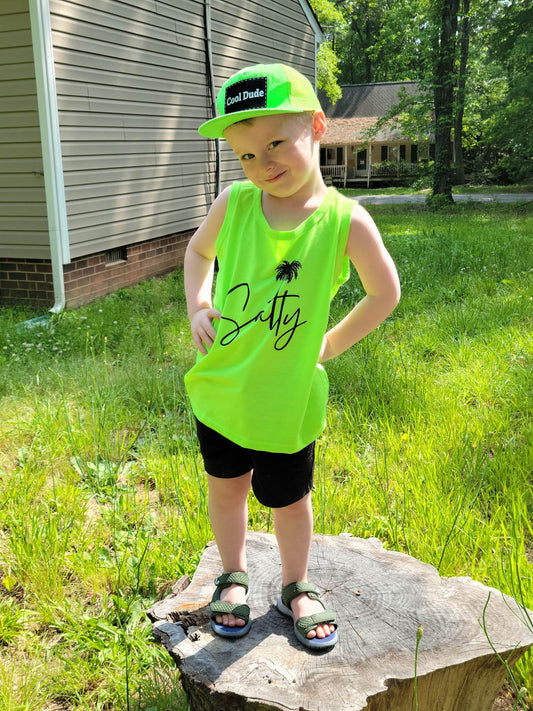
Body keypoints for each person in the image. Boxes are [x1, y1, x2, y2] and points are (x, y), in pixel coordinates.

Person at [184, 63, 400, 649]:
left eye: (276, 143)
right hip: (224, 387)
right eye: (247, 155)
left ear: (319, 127)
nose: (263, 164)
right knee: (226, 486)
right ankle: (232, 575)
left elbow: (386, 293)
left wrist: (330, 344)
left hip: (287, 397)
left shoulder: (343, 222)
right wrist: (199, 303)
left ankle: (296, 584)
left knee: (289, 499)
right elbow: (198, 252)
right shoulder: (235, 204)